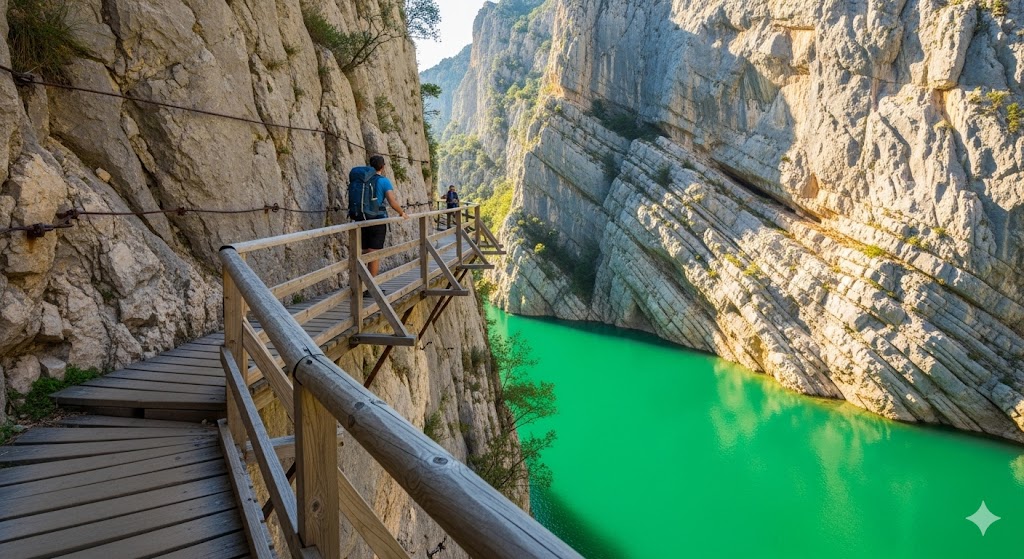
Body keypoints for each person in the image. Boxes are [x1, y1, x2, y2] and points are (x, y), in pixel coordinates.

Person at [362, 154, 407, 277]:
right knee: (374, 253)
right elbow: (392, 202)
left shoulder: (363, 179)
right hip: (377, 220)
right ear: (382, 167)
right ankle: (371, 286)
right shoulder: (384, 181)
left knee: (363, 251)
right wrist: (402, 213)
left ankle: (360, 285)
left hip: (361, 218)